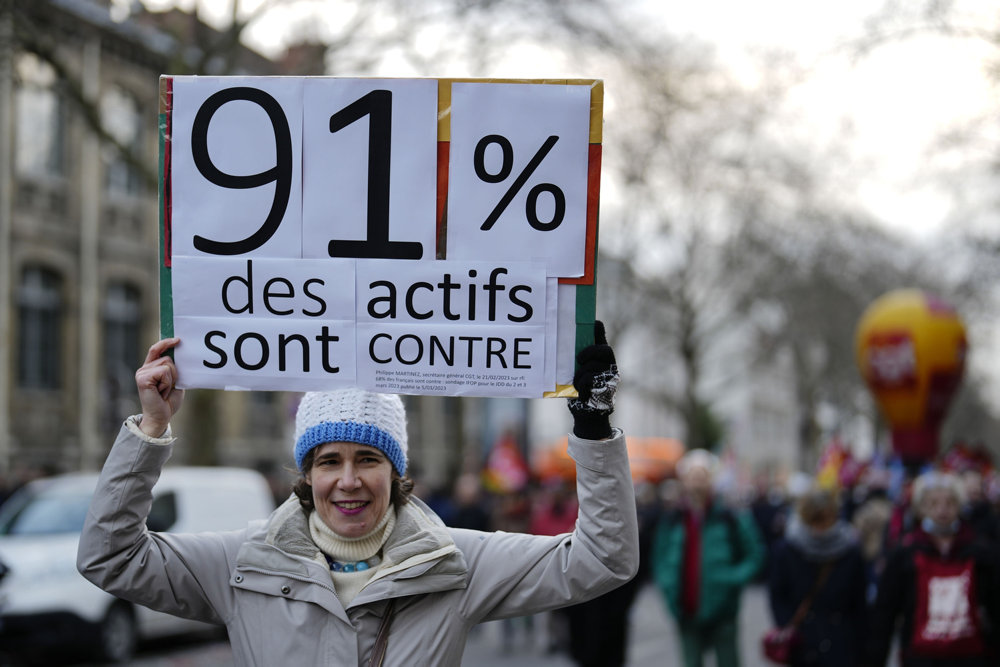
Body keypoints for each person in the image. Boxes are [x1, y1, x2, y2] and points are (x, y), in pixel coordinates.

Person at [77, 323, 639, 666]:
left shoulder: (455, 563)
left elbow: (602, 559)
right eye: (328, 462)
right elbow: (111, 558)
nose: (348, 480)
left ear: (395, 473)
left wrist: (592, 430)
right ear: (307, 475)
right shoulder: (241, 564)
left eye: (368, 458)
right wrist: (150, 431)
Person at [864, 470, 1000, 667]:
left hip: (970, 657)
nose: (942, 510)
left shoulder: (979, 551)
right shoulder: (906, 552)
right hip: (921, 657)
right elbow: (885, 612)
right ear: (921, 508)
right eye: (933, 503)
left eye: (949, 503)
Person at [652, 449, 765, 667]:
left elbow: (755, 554)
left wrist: (732, 579)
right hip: (685, 608)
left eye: (702, 474)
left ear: (711, 479)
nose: (697, 481)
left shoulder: (729, 516)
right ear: (684, 479)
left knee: (728, 661)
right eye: (692, 475)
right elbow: (660, 558)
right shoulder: (674, 518)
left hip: (724, 611)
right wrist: (668, 588)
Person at [767, 485, 867, 666]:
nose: (819, 529)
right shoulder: (788, 549)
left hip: (841, 644)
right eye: (814, 521)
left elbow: (859, 602)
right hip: (803, 643)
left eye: (824, 520)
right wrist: (787, 626)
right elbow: (777, 593)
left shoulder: (850, 551)